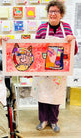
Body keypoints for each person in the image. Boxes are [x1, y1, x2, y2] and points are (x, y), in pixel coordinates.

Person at [33, 0, 78, 133]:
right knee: (43, 95)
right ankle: (43, 120)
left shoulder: (67, 27)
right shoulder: (41, 28)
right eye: (50, 11)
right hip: (43, 69)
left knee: (55, 96)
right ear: (48, 13)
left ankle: (53, 121)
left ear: (61, 14)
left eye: (56, 11)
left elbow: (73, 50)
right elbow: (35, 48)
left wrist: (72, 40)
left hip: (59, 69)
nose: (53, 14)